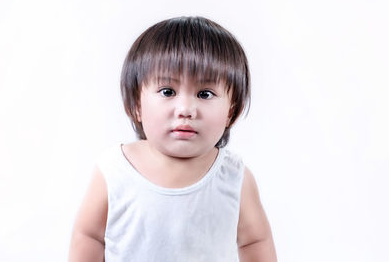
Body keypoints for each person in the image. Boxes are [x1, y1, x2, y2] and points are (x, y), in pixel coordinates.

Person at [69, 16, 277, 262]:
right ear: (137, 104)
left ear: (231, 110)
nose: (186, 108)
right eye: (168, 91)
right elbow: (89, 235)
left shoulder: (234, 177)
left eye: (205, 93)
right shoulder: (115, 171)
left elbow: (255, 240)